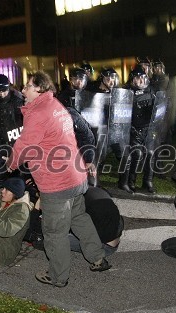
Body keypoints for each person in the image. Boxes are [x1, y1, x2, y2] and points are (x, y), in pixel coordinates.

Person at [6, 70, 111, 288]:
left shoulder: (39, 112)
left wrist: (12, 163)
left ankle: (58, 276)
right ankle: (98, 258)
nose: (23, 90)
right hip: (75, 175)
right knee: (79, 217)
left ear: (39, 89)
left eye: (28, 86)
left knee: (54, 231)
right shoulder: (56, 106)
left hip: (57, 183)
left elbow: (26, 144)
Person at [119, 65, 157, 194]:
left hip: (148, 128)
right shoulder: (125, 91)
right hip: (133, 129)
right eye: (137, 78)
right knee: (137, 154)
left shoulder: (151, 90)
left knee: (151, 153)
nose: (140, 81)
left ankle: (148, 181)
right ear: (132, 79)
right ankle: (131, 181)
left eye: (143, 78)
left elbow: (158, 109)